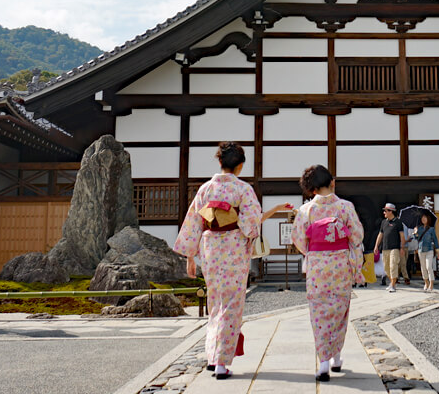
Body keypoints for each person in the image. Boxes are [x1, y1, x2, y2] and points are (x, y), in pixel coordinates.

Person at [173, 142, 292, 380]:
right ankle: (221, 363)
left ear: (219, 162)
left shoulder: (205, 189)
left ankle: (212, 356)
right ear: (239, 166)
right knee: (231, 305)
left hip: (209, 250)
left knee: (215, 303)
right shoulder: (243, 189)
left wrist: (190, 258)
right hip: (234, 250)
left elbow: (193, 223)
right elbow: (250, 226)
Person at [291, 165, 364, 382]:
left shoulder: (306, 210)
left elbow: (298, 239)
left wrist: (314, 253)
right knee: (339, 309)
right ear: (332, 182)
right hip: (340, 264)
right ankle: (337, 357)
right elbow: (357, 235)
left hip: (317, 266)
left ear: (311, 188)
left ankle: (323, 362)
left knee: (319, 310)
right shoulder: (345, 207)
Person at [373, 203, 406, 292]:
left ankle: (393, 285)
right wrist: (376, 246)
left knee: (393, 266)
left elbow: (402, 236)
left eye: (386, 211)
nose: (384, 212)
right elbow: (380, 235)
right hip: (385, 248)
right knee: (387, 268)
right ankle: (392, 283)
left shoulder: (398, 222)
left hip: (394, 248)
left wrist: (402, 247)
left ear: (391, 211)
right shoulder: (384, 222)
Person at [414, 211, 439, 292]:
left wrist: (438, 251)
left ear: (428, 219)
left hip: (429, 249)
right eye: (422, 218)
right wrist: (415, 233)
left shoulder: (431, 229)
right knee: (423, 268)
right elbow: (416, 239)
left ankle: (431, 284)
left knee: (429, 267)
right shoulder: (419, 228)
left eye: (425, 217)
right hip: (420, 250)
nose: (423, 219)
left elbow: (435, 240)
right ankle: (426, 282)